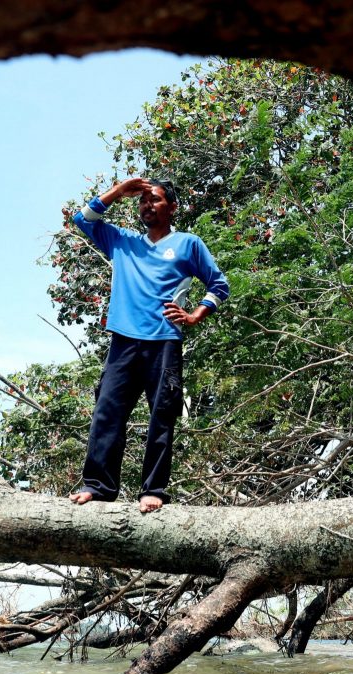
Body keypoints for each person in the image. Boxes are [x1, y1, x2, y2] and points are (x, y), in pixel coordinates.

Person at [67, 177, 229, 512]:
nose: (146, 205)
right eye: (141, 201)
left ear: (171, 206)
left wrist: (197, 314)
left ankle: (152, 490)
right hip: (123, 341)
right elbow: (82, 219)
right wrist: (118, 191)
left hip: (164, 341)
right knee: (107, 414)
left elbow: (219, 284)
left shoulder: (188, 244)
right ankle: (97, 487)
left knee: (162, 417)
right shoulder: (122, 241)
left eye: (154, 199)